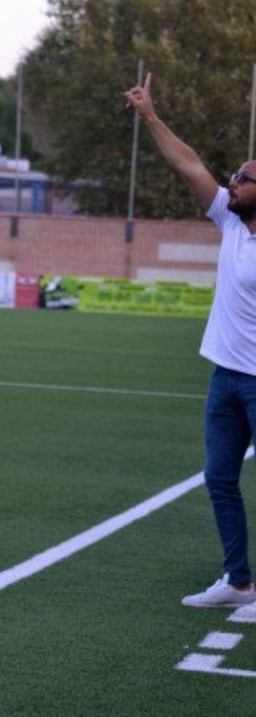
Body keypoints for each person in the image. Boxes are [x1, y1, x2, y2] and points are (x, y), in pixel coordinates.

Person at [124, 73, 256, 613]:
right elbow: (189, 164)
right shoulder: (229, 220)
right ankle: (239, 581)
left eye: (243, 178)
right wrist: (151, 115)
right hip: (225, 377)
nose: (232, 181)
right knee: (219, 479)